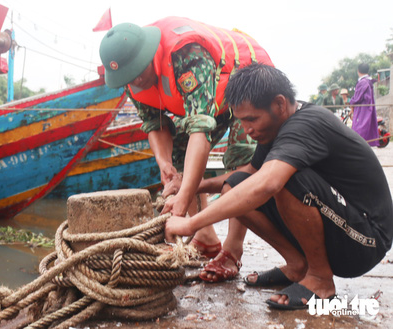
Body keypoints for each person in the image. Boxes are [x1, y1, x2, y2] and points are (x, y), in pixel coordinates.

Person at [165, 63, 393, 310]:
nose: (247, 130)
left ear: (280, 104)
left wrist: (190, 224)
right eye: (242, 121)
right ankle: (298, 266)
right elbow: (251, 173)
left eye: (252, 119)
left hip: (366, 240)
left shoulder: (306, 125)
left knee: (286, 180)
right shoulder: (277, 126)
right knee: (234, 186)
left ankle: (320, 280)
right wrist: (195, 186)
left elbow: (268, 182)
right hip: (341, 224)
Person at [99, 19, 272, 282]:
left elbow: (199, 131)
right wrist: (165, 164)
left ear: (147, 57)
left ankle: (232, 249)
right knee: (180, 158)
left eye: (137, 73)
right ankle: (205, 237)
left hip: (247, 82)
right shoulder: (130, 77)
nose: (134, 81)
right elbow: (155, 124)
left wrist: (181, 201)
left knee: (240, 160)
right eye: (128, 77)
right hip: (214, 99)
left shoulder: (187, 55)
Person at [349, 63, 380, 146]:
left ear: (358, 71)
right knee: (366, 127)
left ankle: (359, 147)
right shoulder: (368, 81)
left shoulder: (363, 82)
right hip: (368, 108)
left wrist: (351, 104)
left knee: (359, 128)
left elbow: (357, 97)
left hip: (363, 109)